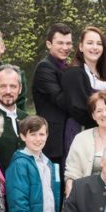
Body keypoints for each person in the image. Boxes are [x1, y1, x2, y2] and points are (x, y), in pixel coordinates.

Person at [61, 25, 106, 158]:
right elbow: (78, 109)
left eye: (99, 44)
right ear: (81, 47)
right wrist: (105, 121)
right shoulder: (73, 73)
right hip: (82, 131)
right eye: (90, 43)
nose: (95, 47)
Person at [31, 23, 74, 169]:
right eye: (60, 43)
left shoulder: (65, 66)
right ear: (49, 44)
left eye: (68, 43)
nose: (65, 47)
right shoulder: (45, 68)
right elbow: (60, 99)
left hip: (65, 134)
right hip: (53, 139)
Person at [0, 64, 28, 171]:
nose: (8, 91)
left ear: (20, 89)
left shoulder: (27, 118)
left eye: (13, 86)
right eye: (3, 86)